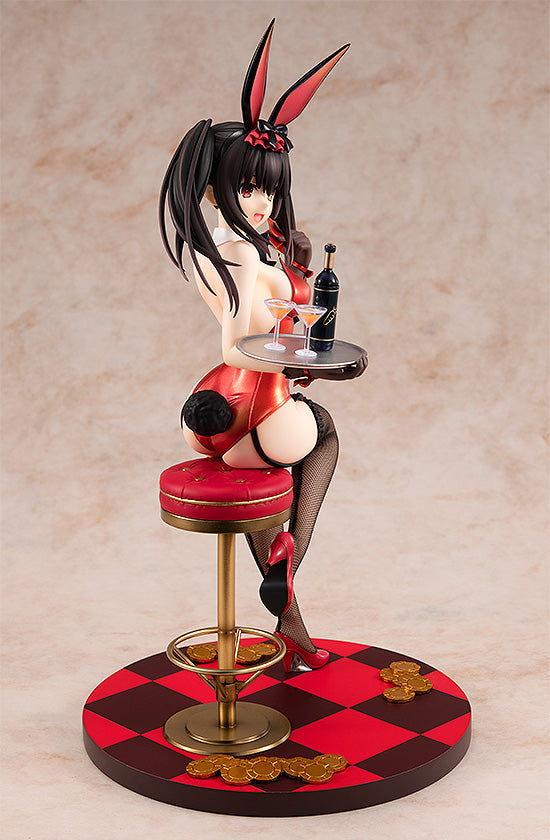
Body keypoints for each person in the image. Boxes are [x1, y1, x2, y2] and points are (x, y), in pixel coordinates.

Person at [159, 20, 366, 671]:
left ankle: (292, 625)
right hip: (257, 401)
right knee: (323, 436)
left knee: (270, 483)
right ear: (213, 190)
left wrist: (295, 280)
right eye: (248, 187)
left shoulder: (233, 249)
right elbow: (240, 344)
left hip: (222, 406)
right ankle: (287, 573)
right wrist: (306, 361)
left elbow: (274, 322)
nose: (262, 201)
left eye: (270, 188)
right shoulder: (240, 258)